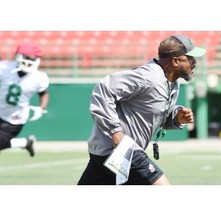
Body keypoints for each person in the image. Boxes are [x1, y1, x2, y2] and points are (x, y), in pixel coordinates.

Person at [77, 34, 206, 185]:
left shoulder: (172, 83)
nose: (195, 62)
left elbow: (153, 113)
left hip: (104, 152)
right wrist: (115, 131)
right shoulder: (148, 76)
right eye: (190, 58)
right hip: (118, 149)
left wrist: (175, 119)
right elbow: (104, 89)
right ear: (175, 61)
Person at [0, 41, 49, 157]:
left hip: (15, 119)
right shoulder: (5, 67)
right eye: (27, 57)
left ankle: (25, 143)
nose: (29, 61)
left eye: (32, 59)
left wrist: (42, 108)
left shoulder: (39, 77)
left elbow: (44, 93)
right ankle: (25, 142)